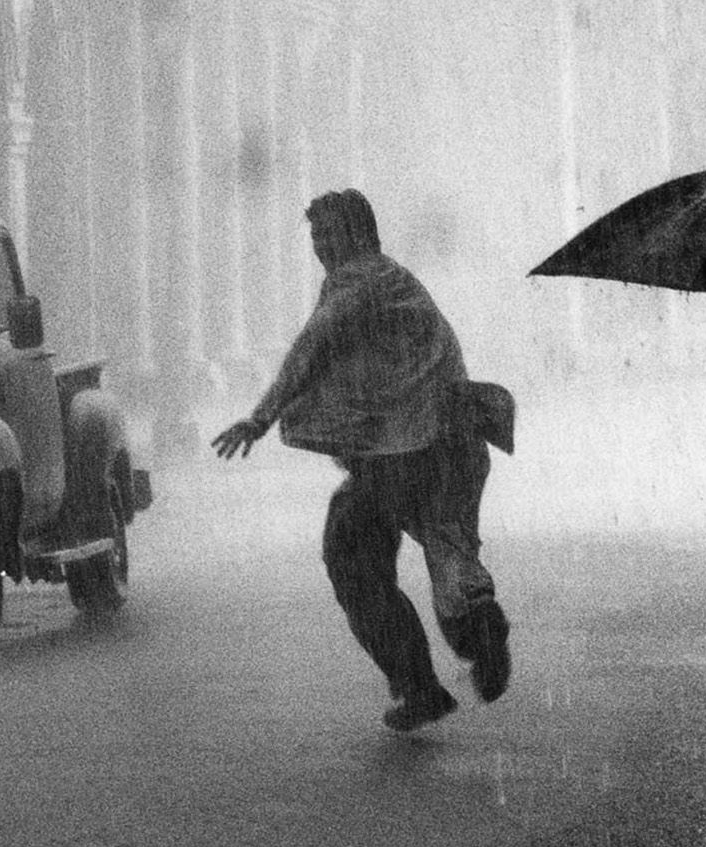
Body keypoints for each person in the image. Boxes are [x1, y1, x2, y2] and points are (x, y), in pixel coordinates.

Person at [212, 189, 513, 732]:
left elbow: (313, 345)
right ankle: (477, 634)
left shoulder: (356, 283)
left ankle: (420, 686)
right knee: (449, 551)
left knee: (352, 559)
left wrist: (259, 418)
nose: (320, 249)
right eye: (315, 238)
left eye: (328, 236)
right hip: (447, 445)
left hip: (400, 455)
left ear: (356, 235)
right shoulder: (397, 280)